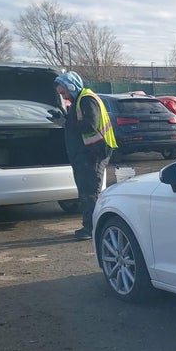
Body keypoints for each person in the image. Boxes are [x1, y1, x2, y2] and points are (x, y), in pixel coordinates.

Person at [53, 71, 117, 240]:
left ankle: (91, 228)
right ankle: (91, 226)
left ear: (71, 87)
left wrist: (66, 123)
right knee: (87, 191)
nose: (64, 97)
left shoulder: (86, 99)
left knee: (90, 192)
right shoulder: (79, 100)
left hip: (95, 152)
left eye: (64, 92)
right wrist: (65, 119)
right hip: (88, 152)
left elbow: (90, 125)